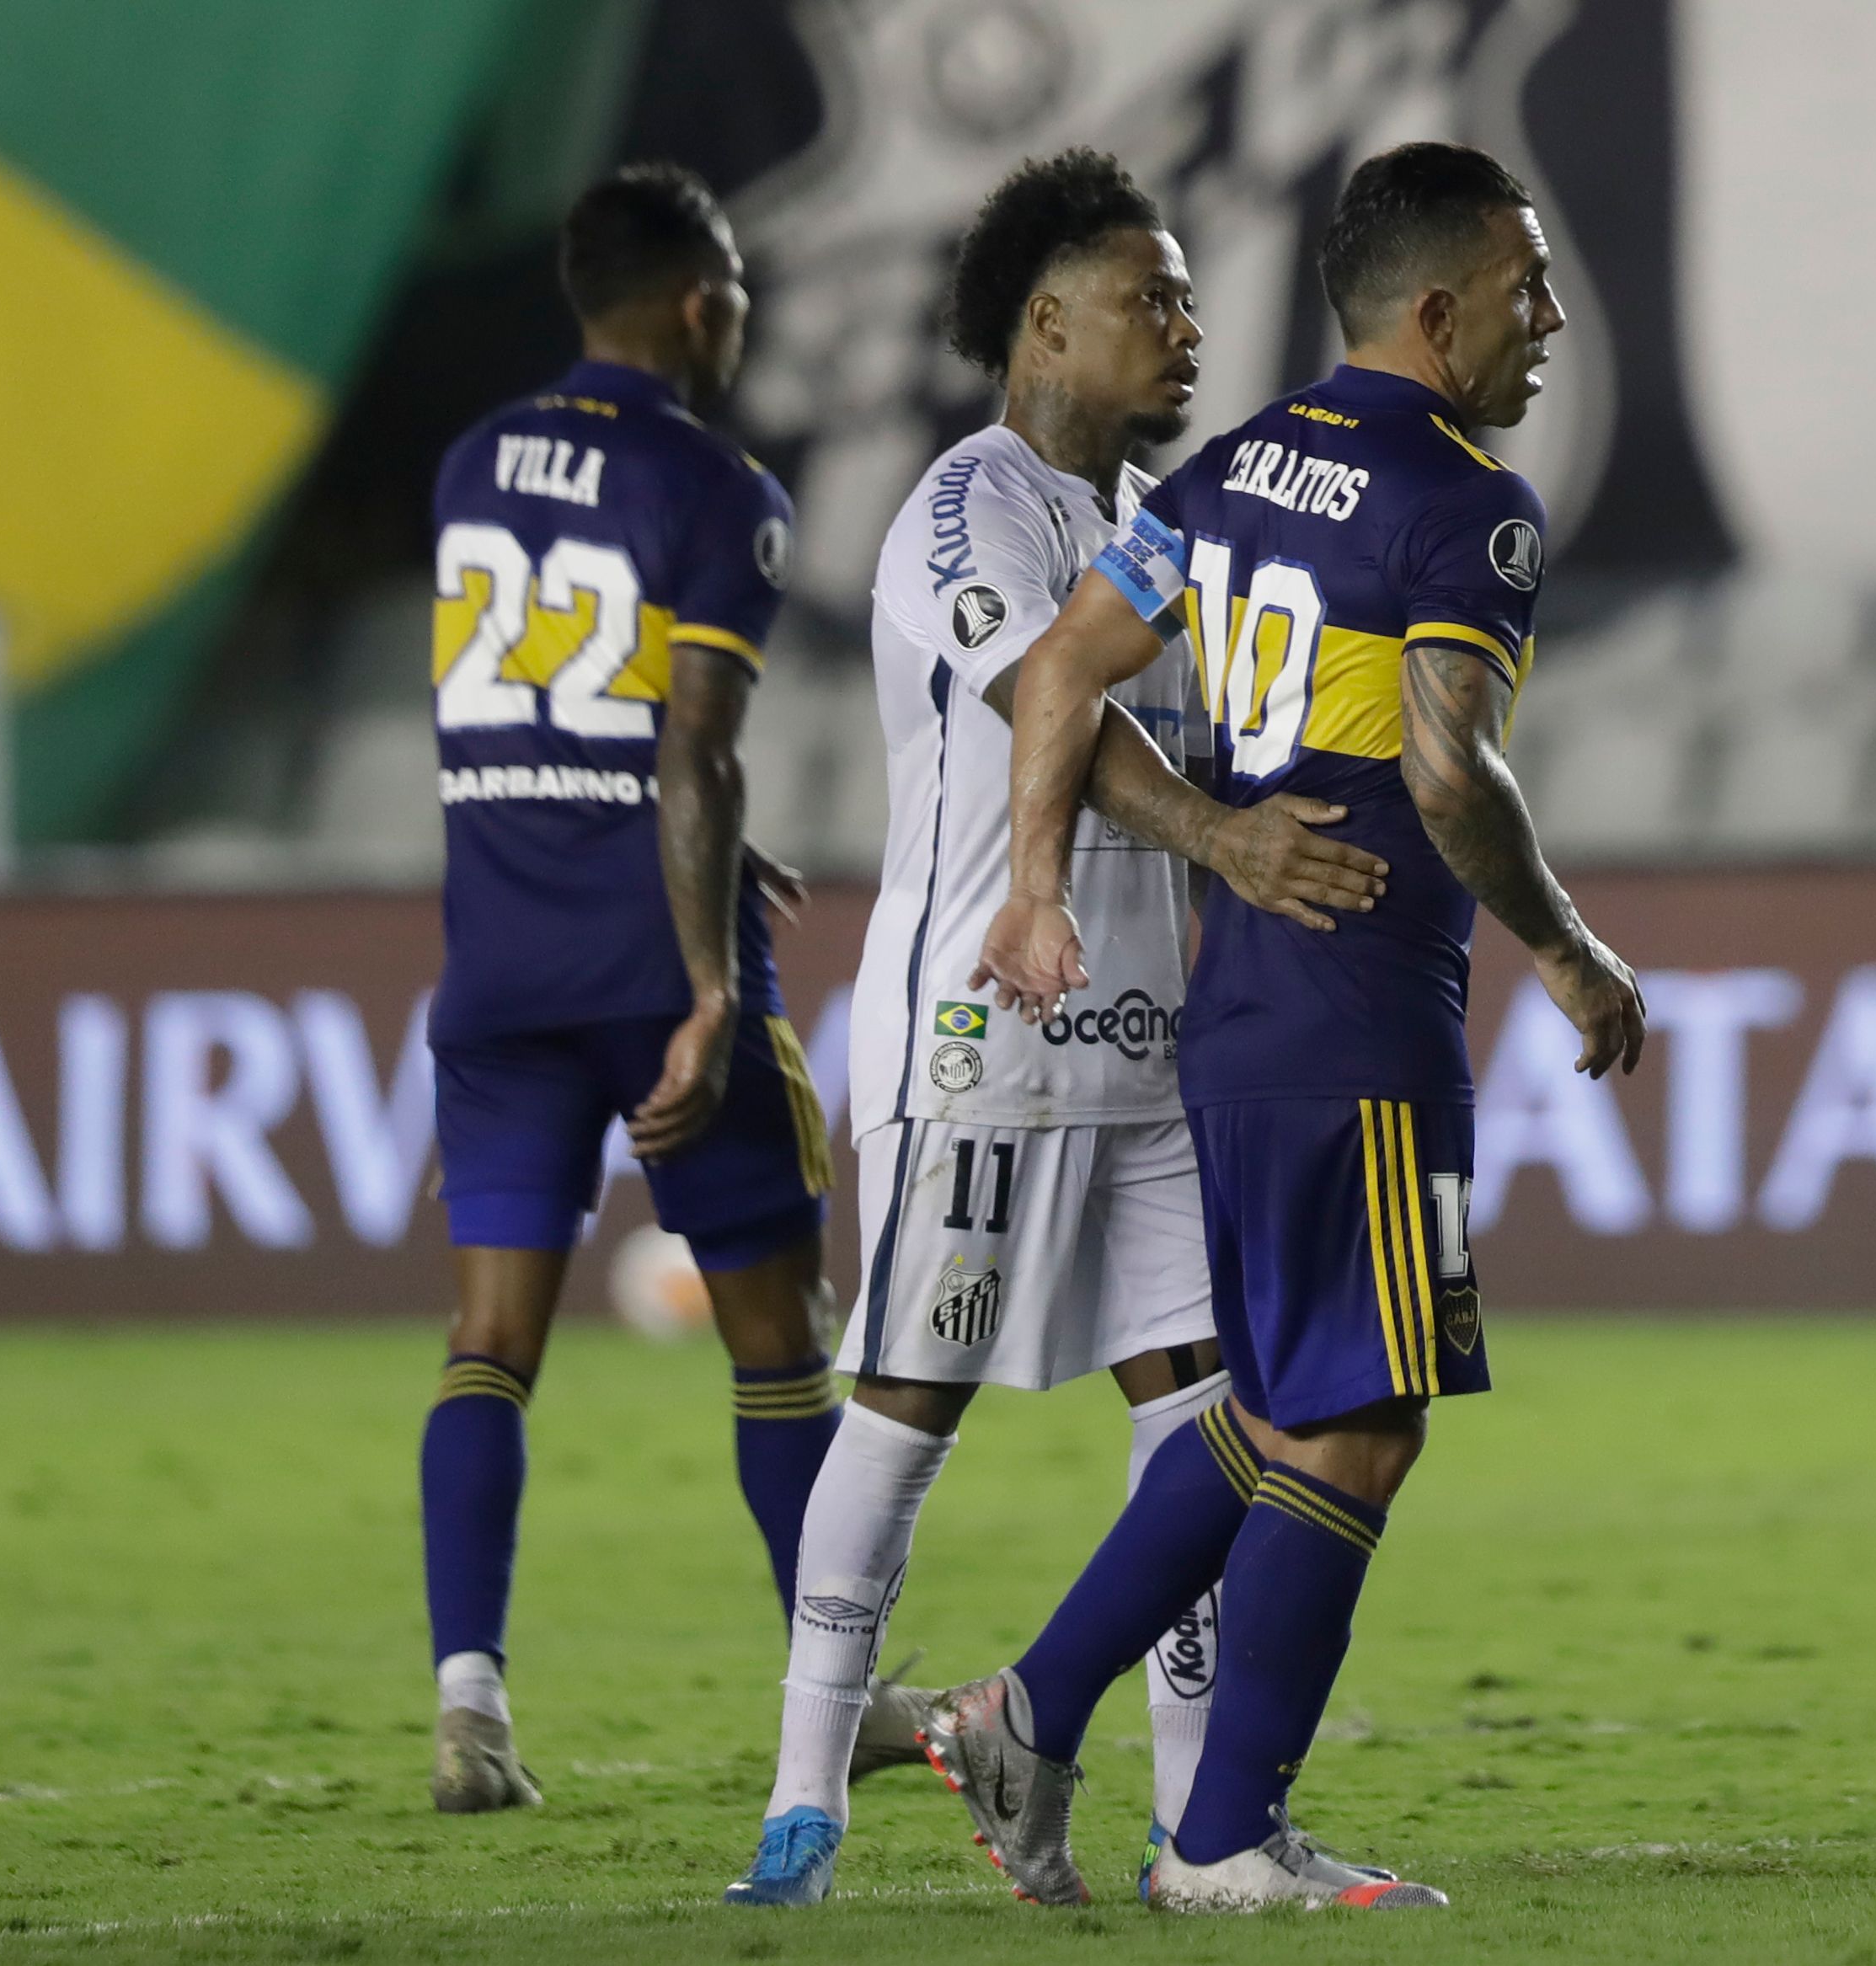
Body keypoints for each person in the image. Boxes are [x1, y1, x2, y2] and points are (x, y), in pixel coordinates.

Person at [933, 140, 1647, 1913]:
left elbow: (1060, 672)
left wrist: (1039, 883)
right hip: (1358, 1009)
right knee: (1365, 1418)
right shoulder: (1465, 500)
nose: (1547, 320)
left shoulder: (1234, 464)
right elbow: (1442, 765)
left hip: (1235, 1014)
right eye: (1525, 285)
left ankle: (1029, 1705)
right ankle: (1223, 1837)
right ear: (1434, 311)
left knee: (1276, 1404)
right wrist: (1565, 948)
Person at [723, 151, 1389, 1908]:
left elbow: (1232, 723)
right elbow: (1052, 703)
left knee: (1208, 1411)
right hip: (990, 1032)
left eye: (1185, 298)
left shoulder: (1156, 518)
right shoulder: (968, 507)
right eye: (1150, 296)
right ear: (1044, 321)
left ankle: (1197, 1830)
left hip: (1160, 1045)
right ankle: (804, 1802)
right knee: (908, 1395)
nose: (1185, 325)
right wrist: (1228, 836)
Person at [420, 163, 847, 1812]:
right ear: (695, 303)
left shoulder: (468, 464)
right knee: (775, 1343)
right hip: (642, 964)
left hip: (499, 961)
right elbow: (687, 747)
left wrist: (715, 859)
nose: (741, 309)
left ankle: (470, 1702)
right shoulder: (712, 485)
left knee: (486, 1344)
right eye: (733, 282)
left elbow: (534, 722)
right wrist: (708, 984)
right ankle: (835, 1694)